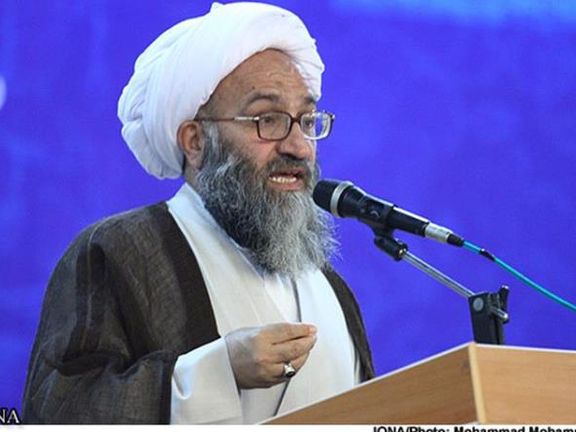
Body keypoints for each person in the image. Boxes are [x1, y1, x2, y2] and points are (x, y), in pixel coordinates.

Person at [22, 2, 374, 424]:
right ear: (195, 141)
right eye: (268, 119)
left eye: (307, 120)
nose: (299, 146)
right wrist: (217, 372)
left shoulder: (331, 288)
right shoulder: (118, 252)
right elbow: (58, 411)